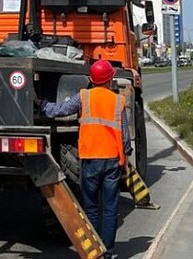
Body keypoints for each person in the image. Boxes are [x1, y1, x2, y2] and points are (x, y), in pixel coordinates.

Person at [40, 58, 130, 256]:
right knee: (110, 208)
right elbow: (124, 136)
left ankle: (95, 247)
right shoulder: (118, 101)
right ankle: (108, 251)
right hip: (112, 161)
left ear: (91, 79)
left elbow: (60, 111)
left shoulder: (83, 97)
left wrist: (44, 105)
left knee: (91, 208)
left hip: (90, 160)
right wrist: (126, 156)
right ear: (110, 80)